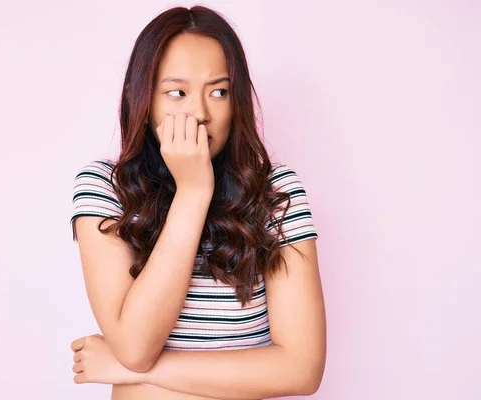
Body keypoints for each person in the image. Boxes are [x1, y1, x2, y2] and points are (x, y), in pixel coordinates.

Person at [69, 5, 326, 400]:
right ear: (144, 99)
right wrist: (192, 193)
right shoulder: (107, 188)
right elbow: (136, 347)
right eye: (177, 92)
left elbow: (301, 370)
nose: (200, 113)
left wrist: (121, 367)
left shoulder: (274, 192)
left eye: (218, 92)